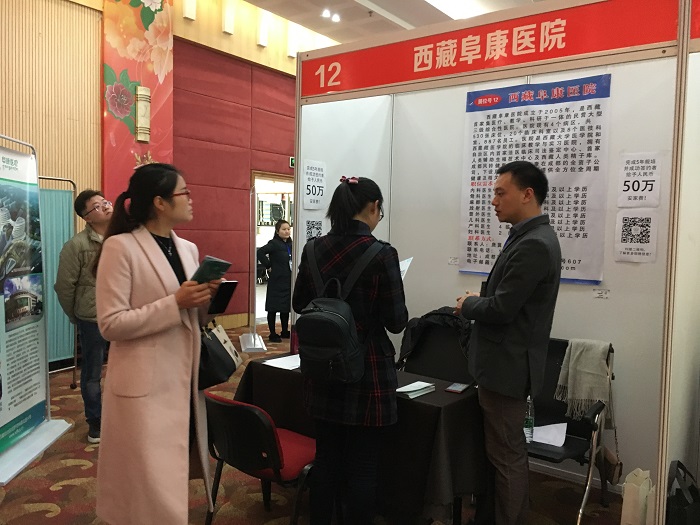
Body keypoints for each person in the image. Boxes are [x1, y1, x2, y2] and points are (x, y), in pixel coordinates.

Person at [94, 163, 220, 525]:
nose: (191, 199)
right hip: (144, 385)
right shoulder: (121, 247)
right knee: (146, 483)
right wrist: (175, 302)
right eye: (184, 193)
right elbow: (110, 324)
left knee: (169, 477)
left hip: (183, 380)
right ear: (160, 202)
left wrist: (207, 299)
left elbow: (191, 318)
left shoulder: (188, 249)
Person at [292, 176, 408, 525]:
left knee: (326, 459)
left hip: (322, 368)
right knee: (363, 467)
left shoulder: (313, 248)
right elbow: (396, 321)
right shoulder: (382, 254)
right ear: (373, 207)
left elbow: (299, 303)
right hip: (367, 371)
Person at [455, 161, 561, 525]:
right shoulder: (526, 236)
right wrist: (480, 299)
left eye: (501, 193)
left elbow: (502, 308)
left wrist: (468, 305)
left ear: (527, 194)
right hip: (503, 363)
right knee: (502, 453)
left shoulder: (535, 244)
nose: (494, 201)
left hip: (507, 367)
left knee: (507, 457)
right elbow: (507, 298)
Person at [54, 190, 112, 443]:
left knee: (126, 368)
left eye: (106, 202)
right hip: (92, 319)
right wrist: (76, 315)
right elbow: (64, 287)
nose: (106, 207)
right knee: (92, 373)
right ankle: (95, 422)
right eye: (98, 206)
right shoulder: (76, 246)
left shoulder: (122, 238)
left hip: (124, 315)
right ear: (87, 217)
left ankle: (121, 416)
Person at [257, 219, 292, 342]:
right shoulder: (274, 243)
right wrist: (268, 265)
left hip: (288, 280)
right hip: (276, 280)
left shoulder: (291, 244)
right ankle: (272, 333)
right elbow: (260, 252)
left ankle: (284, 330)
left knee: (285, 308)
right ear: (277, 231)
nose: (287, 231)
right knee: (272, 307)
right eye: (284, 229)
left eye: (288, 229)